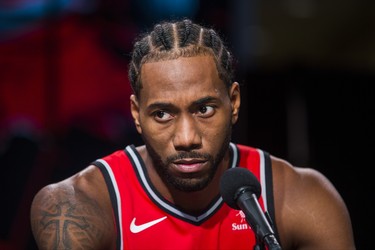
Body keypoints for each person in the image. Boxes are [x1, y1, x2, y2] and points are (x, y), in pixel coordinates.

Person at [30, 18, 356, 250]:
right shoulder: (77, 206)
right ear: (136, 115)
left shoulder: (301, 197)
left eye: (204, 110)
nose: (186, 138)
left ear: (235, 102)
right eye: (162, 114)